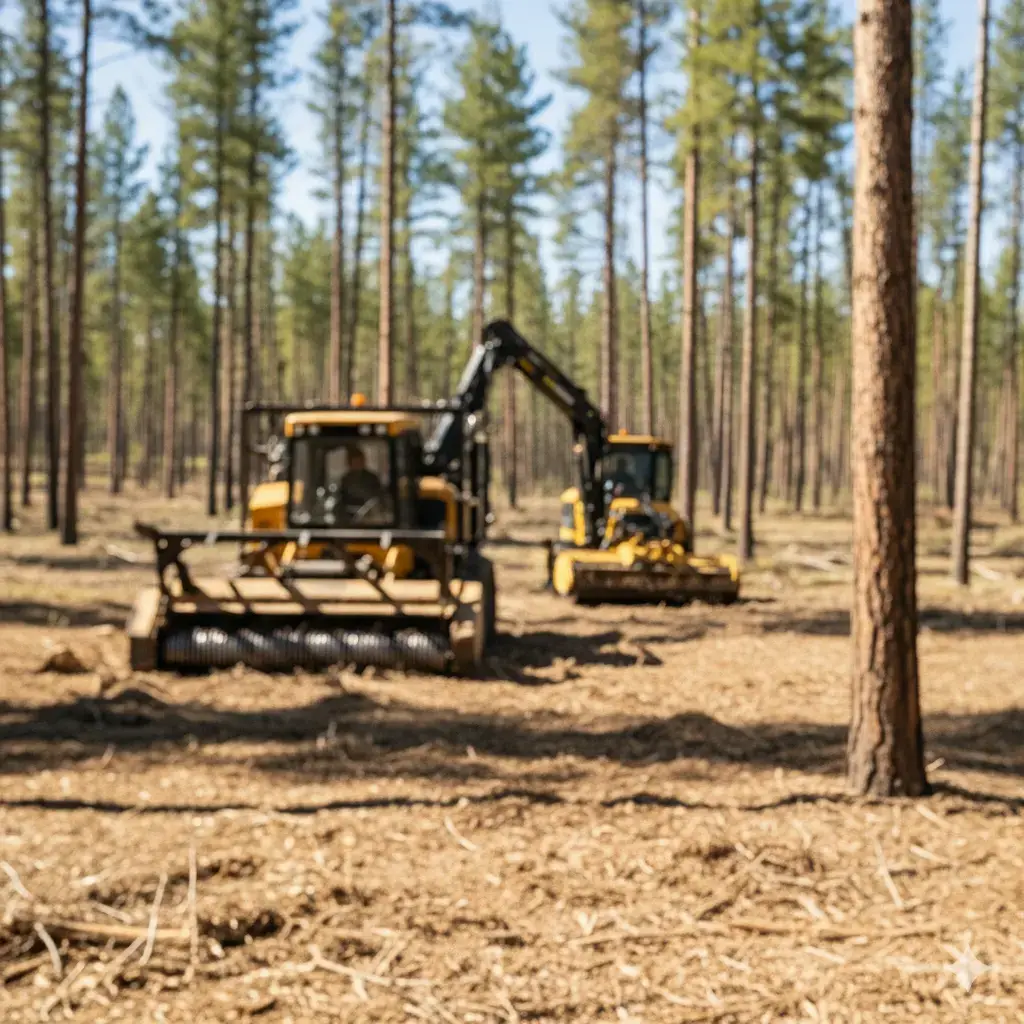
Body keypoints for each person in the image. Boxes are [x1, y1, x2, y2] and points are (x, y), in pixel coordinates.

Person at [340, 446, 383, 511]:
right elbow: (342, 499)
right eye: (355, 462)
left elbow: (377, 497)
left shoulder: (372, 478)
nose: (357, 464)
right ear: (350, 463)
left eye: (359, 461)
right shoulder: (345, 479)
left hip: (369, 511)